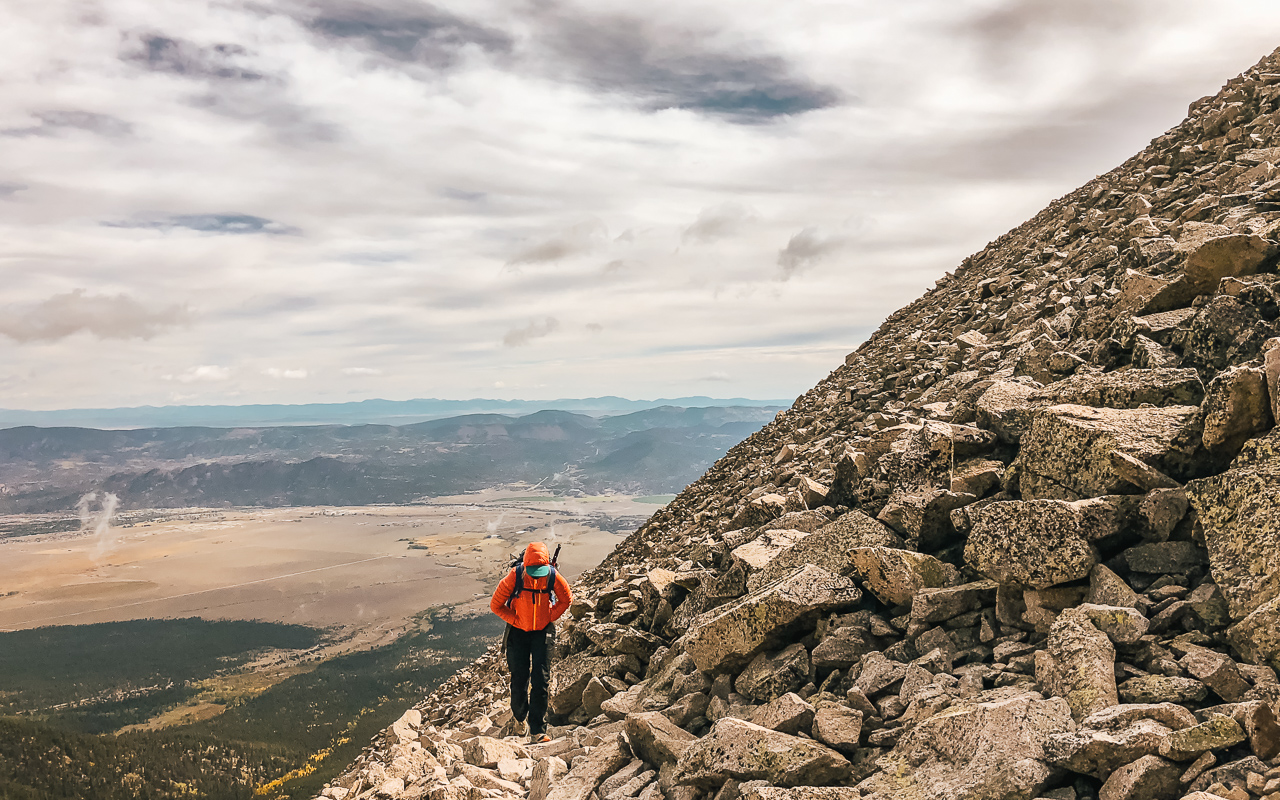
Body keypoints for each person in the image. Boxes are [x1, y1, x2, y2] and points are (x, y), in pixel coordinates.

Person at [489, 541, 571, 742]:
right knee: (519, 678)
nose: (537, 574)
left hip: (542, 632)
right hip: (518, 633)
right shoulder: (515, 576)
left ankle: (538, 730)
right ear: (525, 566)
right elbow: (495, 605)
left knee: (541, 679)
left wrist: (549, 617)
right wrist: (516, 619)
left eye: (540, 570)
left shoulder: (551, 576)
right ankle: (519, 719)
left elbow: (566, 599)